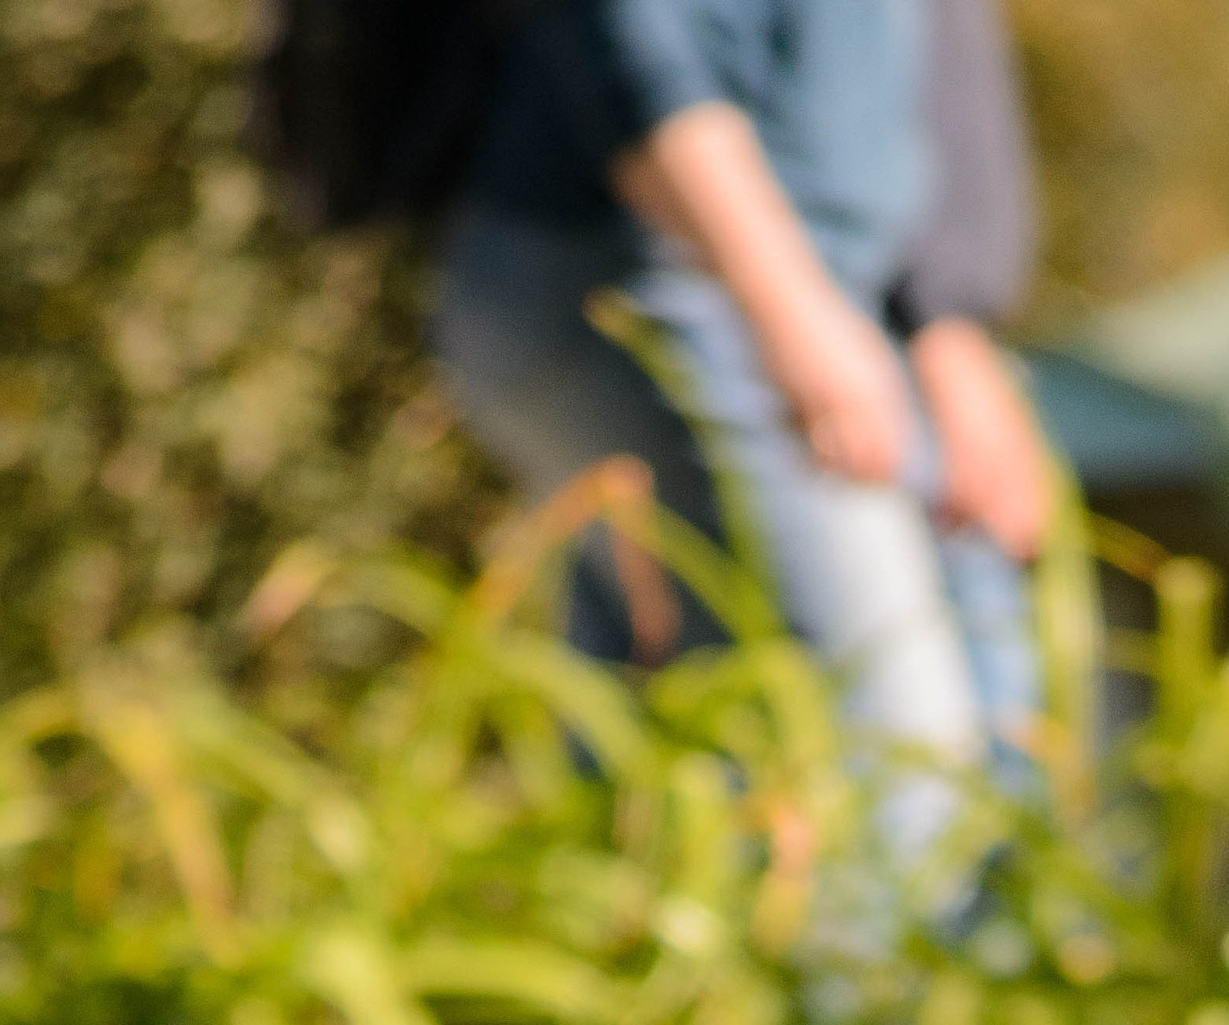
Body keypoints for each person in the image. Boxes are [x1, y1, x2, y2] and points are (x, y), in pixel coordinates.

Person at [434, 0, 1048, 793]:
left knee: (988, 691)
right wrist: (788, 309)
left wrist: (947, 320)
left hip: (836, 285)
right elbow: (627, 44)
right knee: (884, 754)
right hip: (674, 265)